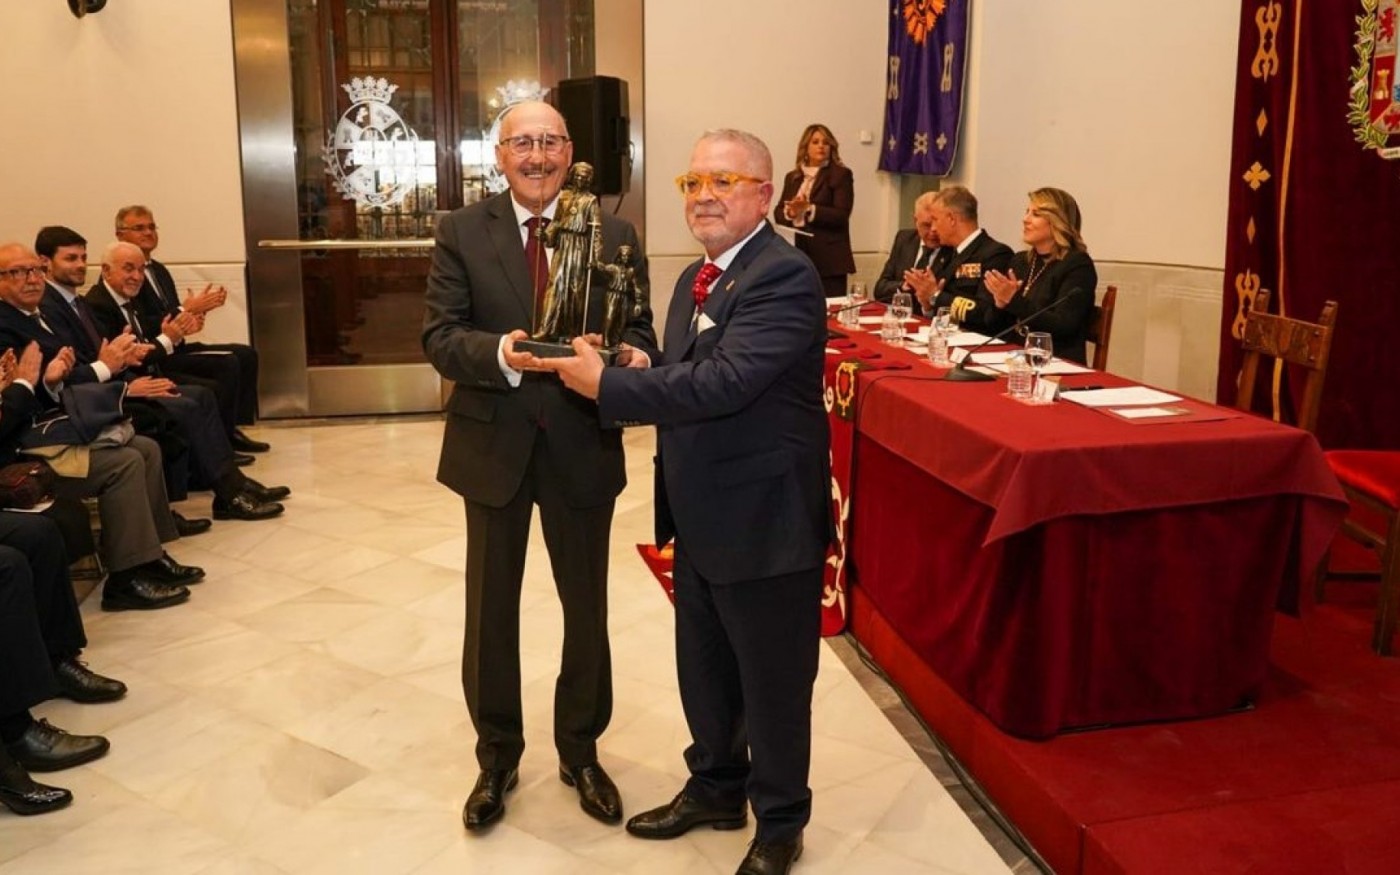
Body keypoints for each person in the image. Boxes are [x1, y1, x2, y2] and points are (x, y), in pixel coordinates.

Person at [542, 129, 832, 875]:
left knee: (771, 683)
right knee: (706, 668)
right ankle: (715, 788)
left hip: (766, 521)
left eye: (723, 182)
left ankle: (780, 823)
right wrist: (638, 360)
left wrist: (608, 386)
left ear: (763, 195)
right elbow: (692, 368)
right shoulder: (697, 278)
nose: (703, 196)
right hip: (703, 514)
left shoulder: (784, 275)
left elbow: (727, 382)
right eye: (693, 182)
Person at [421, 100, 657, 832]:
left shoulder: (616, 233)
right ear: (499, 155)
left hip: (581, 443)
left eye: (550, 141)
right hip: (492, 444)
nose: (537, 155)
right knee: (490, 609)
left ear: (570, 151)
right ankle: (496, 756)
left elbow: (641, 328)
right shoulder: (462, 230)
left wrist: (628, 356)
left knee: (586, 607)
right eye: (522, 142)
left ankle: (581, 750)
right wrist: (503, 353)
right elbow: (440, 336)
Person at [0, 244, 200, 612]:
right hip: (28, 445)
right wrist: (95, 369)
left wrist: (64, 376)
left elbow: (57, 377)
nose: (31, 279)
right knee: (123, 463)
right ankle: (125, 579)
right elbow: (20, 398)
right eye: (17, 272)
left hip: (60, 423)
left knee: (146, 448)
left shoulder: (40, 315)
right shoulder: (5, 326)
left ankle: (149, 555)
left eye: (35, 270)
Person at [81, 242, 288, 521]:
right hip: (124, 388)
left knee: (203, 395)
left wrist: (174, 333)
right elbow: (130, 357)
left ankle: (232, 484)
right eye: (128, 269)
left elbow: (145, 345)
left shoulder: (127, 297)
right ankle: (229, 492)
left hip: (142, 376)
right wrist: (169, 338)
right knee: (191, 402)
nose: (137, 276)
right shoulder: (99, 304)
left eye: (140, 269)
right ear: (106, 271)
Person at [113, 206, 268, 454]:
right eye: (139, 228)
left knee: (246, 354)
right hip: (158, 354)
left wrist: (191, 320)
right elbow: (143, 323)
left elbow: (171, 315)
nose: (148, 233)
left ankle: (233, 429)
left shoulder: (159, 270)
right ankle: (223, 439)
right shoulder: (123, 277)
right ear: (120, 235)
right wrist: (185, 309)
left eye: (151, 227)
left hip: (175, 344)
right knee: (227, 363)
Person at [980, 187, 1098, 364]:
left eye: (1035, 214)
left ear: (1057, 221)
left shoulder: (1078, 265)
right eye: (1027, 212)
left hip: (1056, 363)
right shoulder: (1020, 261)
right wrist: (1000, 304)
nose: (1025, 219)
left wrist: (1013, 300)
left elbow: (1064, 325)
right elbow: (993, 326)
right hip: (1015, 360)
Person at [773, 123, 855, 298]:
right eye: (815, 142)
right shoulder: (793, 177)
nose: (821, 146)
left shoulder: (841, 174)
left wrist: (809, 209)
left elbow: (841, 215)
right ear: (806, 147)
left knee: (828, 307)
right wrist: (791, 213)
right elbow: (778, 213)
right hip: (797, 255)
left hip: (829, 259)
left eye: (826, 143)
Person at [534, 162, 603, 342]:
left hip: (579, 247)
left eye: (584, 177)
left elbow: (595, 230)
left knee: (575, 290)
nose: (580, 180)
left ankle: (571, 333)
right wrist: (546, 235)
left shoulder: (590, 201)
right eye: (578, 176)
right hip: (563, 245)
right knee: (556, 286)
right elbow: (556, 222)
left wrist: (595, 257)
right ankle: (547, 328)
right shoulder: (564, 197)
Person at [926, 186, 1014, 319]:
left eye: (935, 219)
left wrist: (935, 296)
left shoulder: (996, 255)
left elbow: (985, 312)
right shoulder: (947, 253)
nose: (933, 228)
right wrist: (927, 304)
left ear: (951, 219)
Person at [873, 191, 945, 304]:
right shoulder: (904, 239)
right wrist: (903, 286)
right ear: (915, 221)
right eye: (927, 225)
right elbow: (880, 289)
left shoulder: (952, 248)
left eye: (937, 224)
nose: (933, 231)